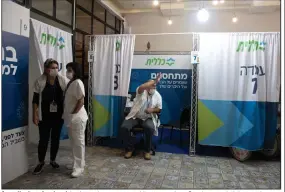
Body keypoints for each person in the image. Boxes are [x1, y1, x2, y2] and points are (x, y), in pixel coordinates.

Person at [32, 58, 69, 174]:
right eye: (52, 68)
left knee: (55, 139)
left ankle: (52, 160)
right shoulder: (40, 81)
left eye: (56, 68)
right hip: (45, 116)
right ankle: (41, 162)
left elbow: (69, 96)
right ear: (46, 69)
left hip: (58, 116)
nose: (55, 70)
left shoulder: (62, 80)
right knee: (43, 140)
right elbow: (35, 100)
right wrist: (35, 114)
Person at [120, 73, 162, 160]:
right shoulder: (141, 92)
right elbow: (143, 86)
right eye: (152, 86)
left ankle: (147, 151)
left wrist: (152, 110)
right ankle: (130, 149)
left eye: (155, 86)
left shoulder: (157, 95)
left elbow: (159, 109)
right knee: (124, 127)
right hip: (136, 116)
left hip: (148, 117)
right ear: (147, 87)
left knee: (149, 127)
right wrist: (155, 81)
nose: (154, 87)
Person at [63, 62, 88, 178]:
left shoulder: (78, 82)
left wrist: (73, 113)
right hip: (72, 118)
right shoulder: (71, 83)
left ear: (75, 71)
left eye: (70, 70)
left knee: (78, 143)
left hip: (77, 118)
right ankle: (78, 163)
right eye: (67, 70)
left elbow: (81, 101)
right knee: (74, 142)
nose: (67, 72)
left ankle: (79, 168)